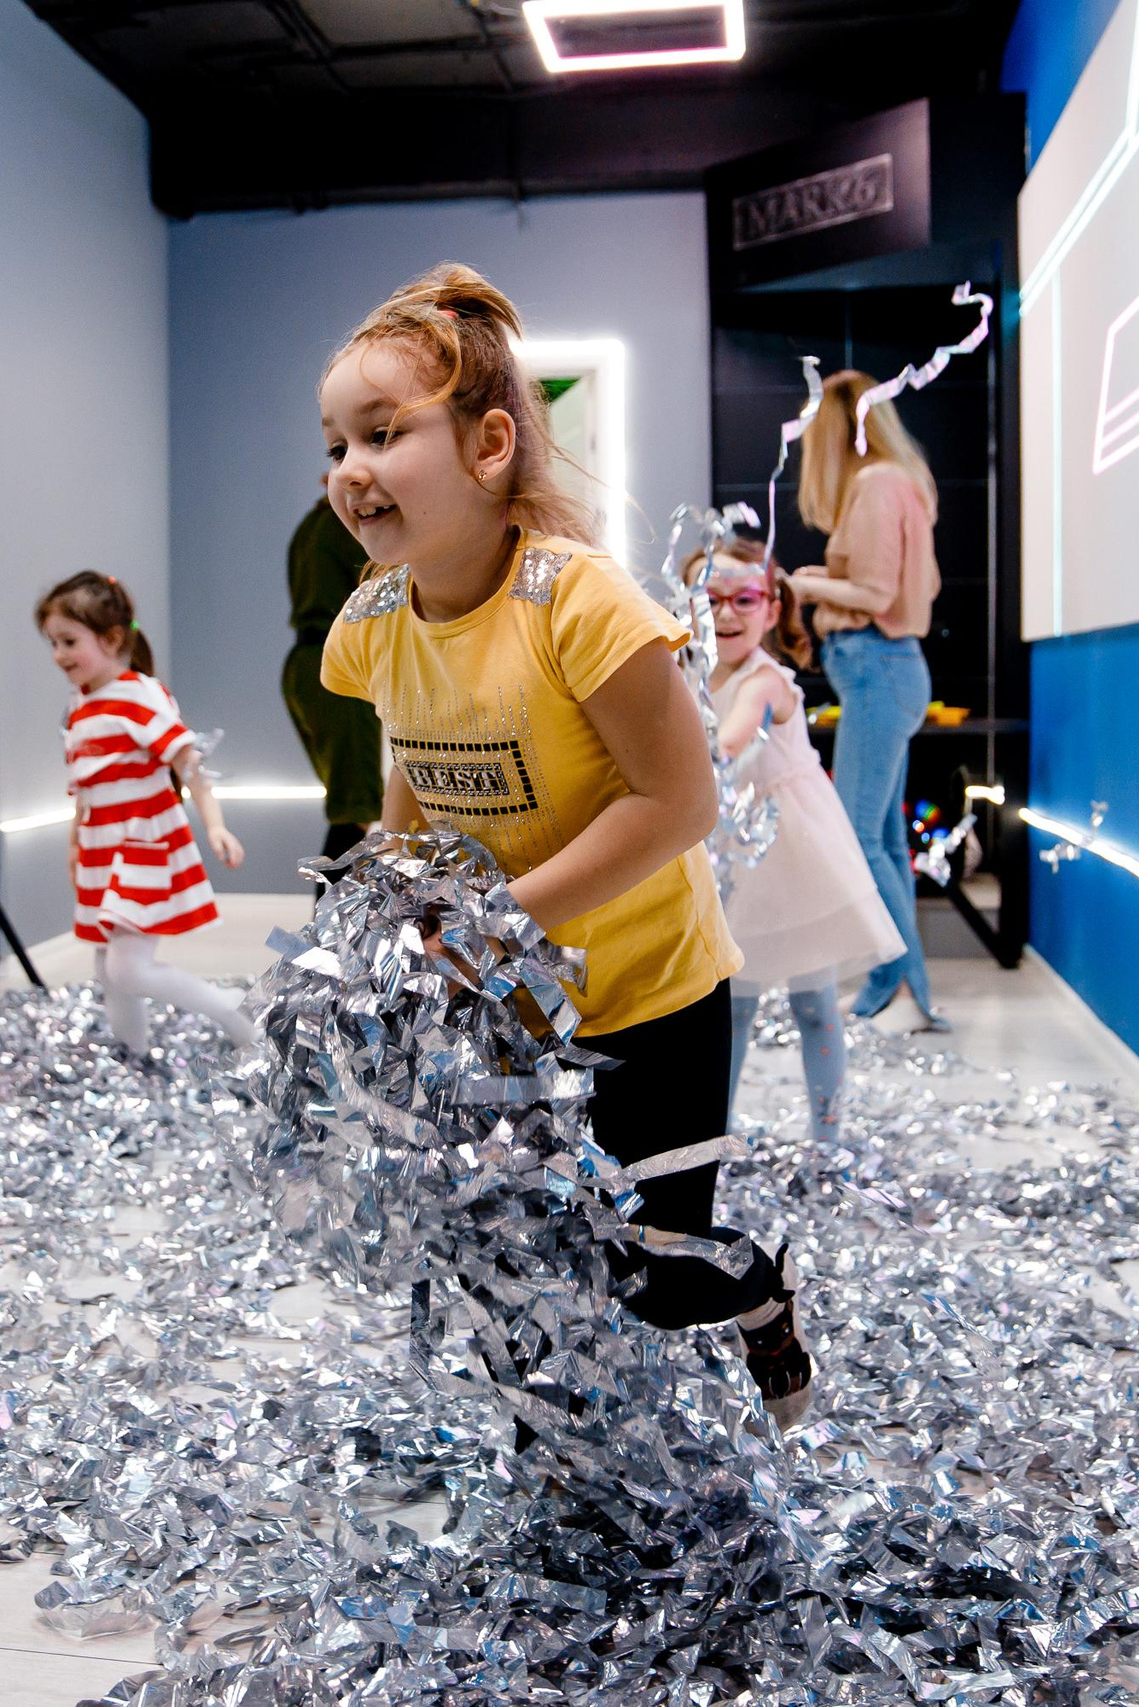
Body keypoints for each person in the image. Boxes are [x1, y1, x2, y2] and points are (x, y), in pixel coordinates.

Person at [316, 261, 812, 1427]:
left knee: (647, 1271)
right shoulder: (376, 619)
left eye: (382, 434)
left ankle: (753, 1292)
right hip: (519, 1007)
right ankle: (577, 1461)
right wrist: (393, 903)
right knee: (526, 1245)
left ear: (491, 447)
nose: (349, 472)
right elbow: (414, 768)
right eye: (333, 445)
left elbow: (676, 804)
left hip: (651, 994)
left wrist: (501, 919)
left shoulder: (578, 603)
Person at [696, 540, 904, 1145]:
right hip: (733, 856)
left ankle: (829, 1139)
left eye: (745, 599)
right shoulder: (689, 677)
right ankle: (714, 1136)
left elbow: (732, 739)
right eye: (711, 600)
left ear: (770, 608)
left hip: (794, 858)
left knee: (814, 1006)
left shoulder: (766, 681)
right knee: (730, 1012)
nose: (728, 614)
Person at [37, 572, 260, 1057]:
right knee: (108, 966)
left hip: (144, 843)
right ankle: (132, 1055)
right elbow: (87, 788)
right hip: (103, 847)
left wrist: (216, 825)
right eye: (53, 643)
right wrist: (77, 844)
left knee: (128, 967)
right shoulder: (79, 708)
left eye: (69, 641)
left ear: (112, 638)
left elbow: (189, 763)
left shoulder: (141, 695)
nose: (59, 655)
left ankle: (231, 1008)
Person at [786, 370, 948, 1030]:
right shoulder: (893, 482)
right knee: (880, 836)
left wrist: (802, 582)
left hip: (878, 670)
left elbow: (877, 594)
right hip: (882, 671)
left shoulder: (878, 485)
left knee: (859, 835)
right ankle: (904, 983)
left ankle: (899, 980)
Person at [283, 496, 387, 862]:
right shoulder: (349, 529)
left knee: (349, 805)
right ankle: (331, 918)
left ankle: (332, 916)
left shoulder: (308, 527)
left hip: (303, 665)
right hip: (338, 666)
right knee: (354, 810)